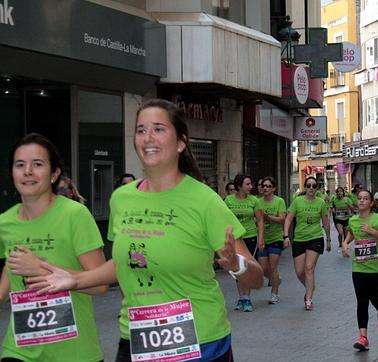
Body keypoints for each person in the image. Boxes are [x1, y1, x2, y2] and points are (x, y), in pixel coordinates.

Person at [28, 99, 263, 362]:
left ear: (181, 142)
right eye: (141, 130)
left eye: (159, 129)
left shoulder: (205, 200)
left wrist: (235, 264)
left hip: (198, 344)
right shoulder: (122, 198)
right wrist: (75, 280)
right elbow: (122, 263)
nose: (147, 137)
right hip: (137, 339)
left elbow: (256, 279)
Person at [0, 133, 107, 362]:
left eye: (37, 164)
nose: (27, 171)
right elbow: (9, 274)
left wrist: (40, 267)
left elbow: (100, 284)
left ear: (54, 174)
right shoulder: (5, 223)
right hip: (20, 350)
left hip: (74, 353)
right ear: (12, 173)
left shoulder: (75, 215)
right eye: (20, 165)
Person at [342, 189, 378, 351]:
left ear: (371, 203)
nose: (362, 201)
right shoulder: (353, 220)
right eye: (359, 198)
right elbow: (351, 232)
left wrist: (373, 232)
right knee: (362, 301)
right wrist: (345, 243)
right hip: (359, 267)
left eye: (365, 199)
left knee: (374, 298)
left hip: (377, 268)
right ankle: (363, 337)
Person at [283, 176, 331, 311]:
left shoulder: (321, 203)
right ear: (305, 187)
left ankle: (308, 298)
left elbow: (326, 222)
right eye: (308, 185)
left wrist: (328, 240)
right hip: (299, 239)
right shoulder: (297, 201)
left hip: (315, 238)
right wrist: (286, 236)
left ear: (317, 188)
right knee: (299, 271)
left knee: (309, 268)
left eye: (314, 186)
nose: (311, 188)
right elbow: (288, 219)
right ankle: (311, 286)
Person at [225, 174, 264, 312]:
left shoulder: (254, 200)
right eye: (247, 184)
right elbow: (224, 219)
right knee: (236, 268)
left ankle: (247, 298)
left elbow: (259, 220)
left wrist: (260, 238)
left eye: (251, 184)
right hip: (235, 238)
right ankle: (241, 297)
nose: (251, 187)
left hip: (250, 236)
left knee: (246, 266)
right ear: (239, 186)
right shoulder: (229, 200)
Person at [256, 176, 286, 304]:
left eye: (268, 186)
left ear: (274, 188)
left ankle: (274, 294)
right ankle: (277, 279)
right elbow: (256, 219)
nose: (265, 188)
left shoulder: (279, 201)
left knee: (273, 267)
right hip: (263, 238)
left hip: (276, 238)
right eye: (263, 186)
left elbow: (282, 219)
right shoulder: (258, 202)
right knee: (263, 268)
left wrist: (268, 217)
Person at [331, 187, 353, 252]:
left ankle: (345, 245)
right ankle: (340, 245)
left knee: (346, 234)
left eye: (341, 191)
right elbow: (332, 207)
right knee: (340, 233)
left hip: (346, 219)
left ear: (343, 192)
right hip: (338, 219)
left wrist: (350, 213)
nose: (339, 192)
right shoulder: (334, 200)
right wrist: (334, 211)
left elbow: (351, 208)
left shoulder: (347, 199)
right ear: (336, 193)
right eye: (338, 191)